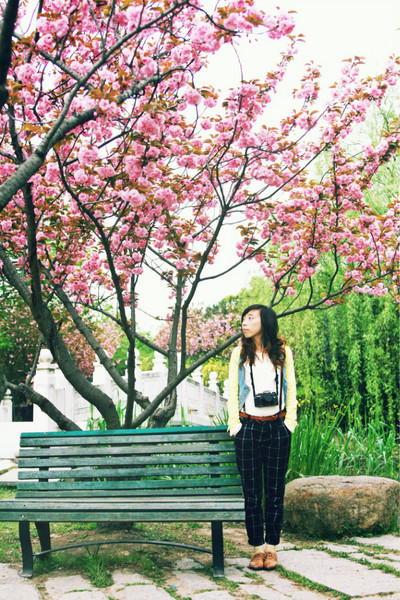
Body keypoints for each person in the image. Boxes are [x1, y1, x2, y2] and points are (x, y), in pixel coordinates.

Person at [227, 304, 297, 571]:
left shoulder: (283, 352)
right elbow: (232, 390)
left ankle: (272, 547)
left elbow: (291, 387)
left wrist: (290, 422)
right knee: (252, 493)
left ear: (264, 321)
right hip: (248, 427)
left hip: (278, 426)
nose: (244, 323)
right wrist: (235, 425)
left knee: (276, 491)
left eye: (250, 318)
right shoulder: (239, 353)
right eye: (243, 319)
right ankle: (257, 548)